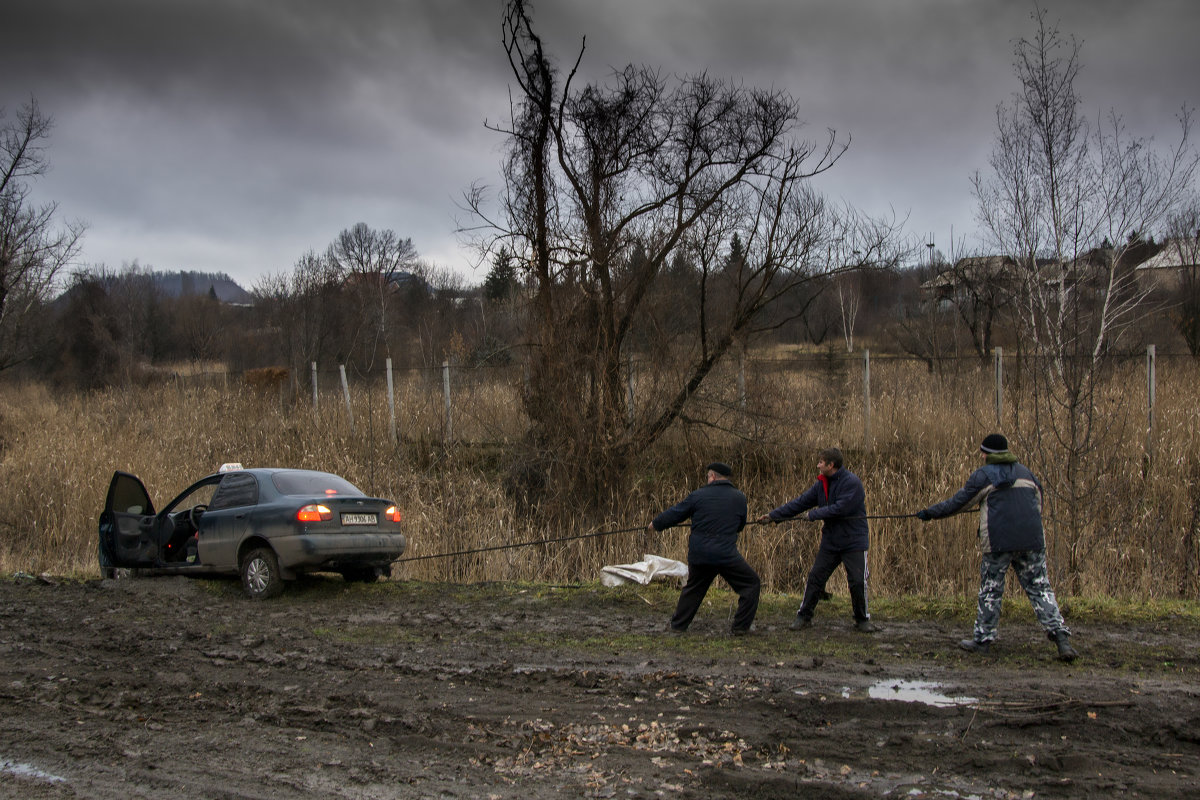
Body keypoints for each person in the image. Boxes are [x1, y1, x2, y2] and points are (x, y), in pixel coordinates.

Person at [915, 433, 1078, 662]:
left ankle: (983, 641)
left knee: (991, 590)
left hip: (999, 542)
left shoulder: (983, 475)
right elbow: (1038, 502)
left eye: (982, 452)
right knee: (1040, 589)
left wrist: (930, 513)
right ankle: (1061, 639)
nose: (981, 455)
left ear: (987, 454)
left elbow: (958, 503)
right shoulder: (1026, 472)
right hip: (1032, 540)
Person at [759, 447, 875, 632]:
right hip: (831, 540)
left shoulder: (852, 483)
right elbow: (800, 502)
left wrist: (814, 514)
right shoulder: (822, 484)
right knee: (815, 577)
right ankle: (804, 617)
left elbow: (841, 508)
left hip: (854, 540)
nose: (818, 465)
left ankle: (862, 620)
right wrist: (774, 516)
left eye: (821, 462)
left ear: (831, 465)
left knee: (857, 581)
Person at [648, 462, 761, 635]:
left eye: (708, 476)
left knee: (693, 590)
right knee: (751, 584)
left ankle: (678, 626)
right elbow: (740, 526)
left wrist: (655, 524)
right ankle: (740, 627)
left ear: (713, 476)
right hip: (726, 555)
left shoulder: (697, 495)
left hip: (700, 555)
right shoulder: (739, 498)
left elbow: (676, 513)